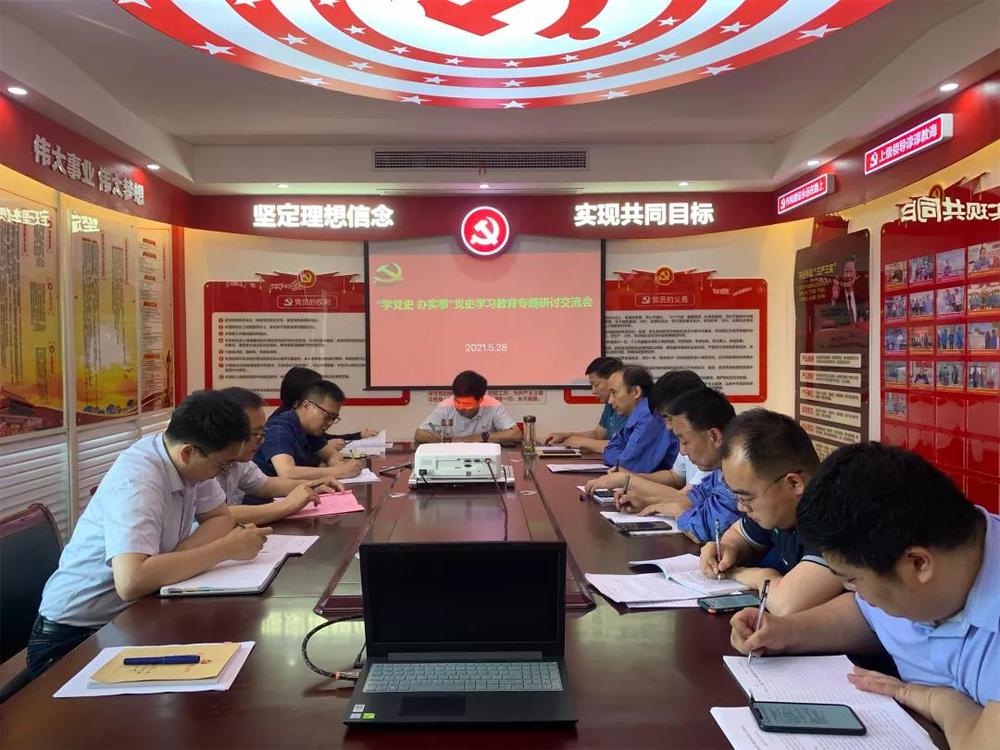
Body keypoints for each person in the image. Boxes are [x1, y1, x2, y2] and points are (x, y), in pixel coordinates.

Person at [729, 443, 999, 749]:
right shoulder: (919, 565)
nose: (853, 591)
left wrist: (939, 702)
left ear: (918, 564)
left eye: (853, 579)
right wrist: (785, 632)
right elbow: (867, 617)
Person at [28, 391, 272, 678]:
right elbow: (131, 581)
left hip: (133, 614)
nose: (224, 471)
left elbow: (219, 517)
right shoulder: (138, 481)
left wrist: (167, 565)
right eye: (222, 465)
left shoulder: (188, 461)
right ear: (188, 452)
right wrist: (225, 549)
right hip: (76, 637)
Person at [698, 409, 843, 615]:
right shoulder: (780, 507)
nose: (741, 507)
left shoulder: (835, 514)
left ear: (794, 483)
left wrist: (750, 575)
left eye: (746, 497)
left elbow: (787, 603)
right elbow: (739, 534)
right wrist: (728, 548)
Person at [619, 386, 740, 543]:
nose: (682, 451)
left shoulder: (739, 474)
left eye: (685, 441)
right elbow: (695, 497)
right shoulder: (718, 473)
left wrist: (677, 510)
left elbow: (705, 529)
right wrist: (648, 502)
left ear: (714, 436)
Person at [218, 387, 344, 521]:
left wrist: (312, 485)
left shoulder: (237, 462)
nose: (262, 440)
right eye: (256, 433)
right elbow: (218, 516)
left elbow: (265, 485)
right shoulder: (208, 468)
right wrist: (288, 505)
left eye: (262, 432)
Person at [584, 369, 707, 500]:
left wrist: (627, 480)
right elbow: (675, 477)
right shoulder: (687, 436)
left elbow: (688, 499)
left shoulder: (708, 447)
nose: (667, 426)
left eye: (669, 418)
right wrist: (633, 479)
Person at [254, 380, 364, 480]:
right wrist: (340, 471)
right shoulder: (279, 428)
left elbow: (332, 454)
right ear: (306, 405)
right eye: (328, 416)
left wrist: (334, 462)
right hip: (270, 495)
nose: (330, 423)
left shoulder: (310, 430)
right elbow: (287, 472)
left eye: (334, 418)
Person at [274, 366, 378, 448]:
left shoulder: (305, 422)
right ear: (306, 402)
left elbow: (324, 439)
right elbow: (288, 466)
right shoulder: (280, 425)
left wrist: (359, 435)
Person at [601, 365, 677, 474]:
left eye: (614, 392)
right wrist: (621, 458)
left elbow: (628, 466)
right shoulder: (637, 415)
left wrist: (621, 458)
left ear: (636, 392)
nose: (610, 401)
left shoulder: (650, 416)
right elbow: (610, 448)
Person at [414, 370, 522, 444]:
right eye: (457, 401)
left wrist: (481, 437)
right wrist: (445, 440)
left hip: (484, 456)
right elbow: (419, 434)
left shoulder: (493, 405)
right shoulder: (446, 406)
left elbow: (516, 434)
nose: (460, 407)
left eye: (467, 404)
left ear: (480, 400)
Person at [543, 357, 625, 451]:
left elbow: (622, 446)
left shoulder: (627, 407)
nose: (593, 391)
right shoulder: (610, 405)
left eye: (596, 385)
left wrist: (583, 442)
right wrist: (565, 436)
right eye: (591, 386)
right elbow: (598, 434)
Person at [829, 255, 869, 324]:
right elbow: (831, 322)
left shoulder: (860, 300)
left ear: (856, 275)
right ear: (842, 274)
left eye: (851, 271)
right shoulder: (837, 298)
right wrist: (834, 300)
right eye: (846, 271)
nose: (848, 275)